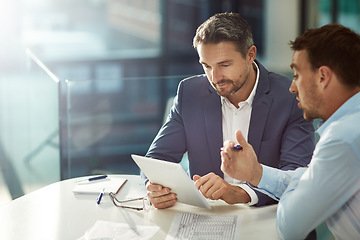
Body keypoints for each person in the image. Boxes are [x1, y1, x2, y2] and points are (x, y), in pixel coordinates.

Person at [144, 13, 315, 209]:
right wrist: (154, 187)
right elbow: (157, 158)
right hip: (208, 220)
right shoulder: (189, 93)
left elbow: (297, 177)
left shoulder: (290, 97)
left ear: (250, 55)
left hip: (269, 217)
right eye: (206, 66)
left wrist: (239, 193)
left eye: (224, 65)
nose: (215, 77)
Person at [221, 23, 360, 240]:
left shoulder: (342, 139)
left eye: (296, 75)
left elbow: (289, 226)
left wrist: (304, 175)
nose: (292, 87)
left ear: (323, 77)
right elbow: (311, 180)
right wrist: (256, 173)